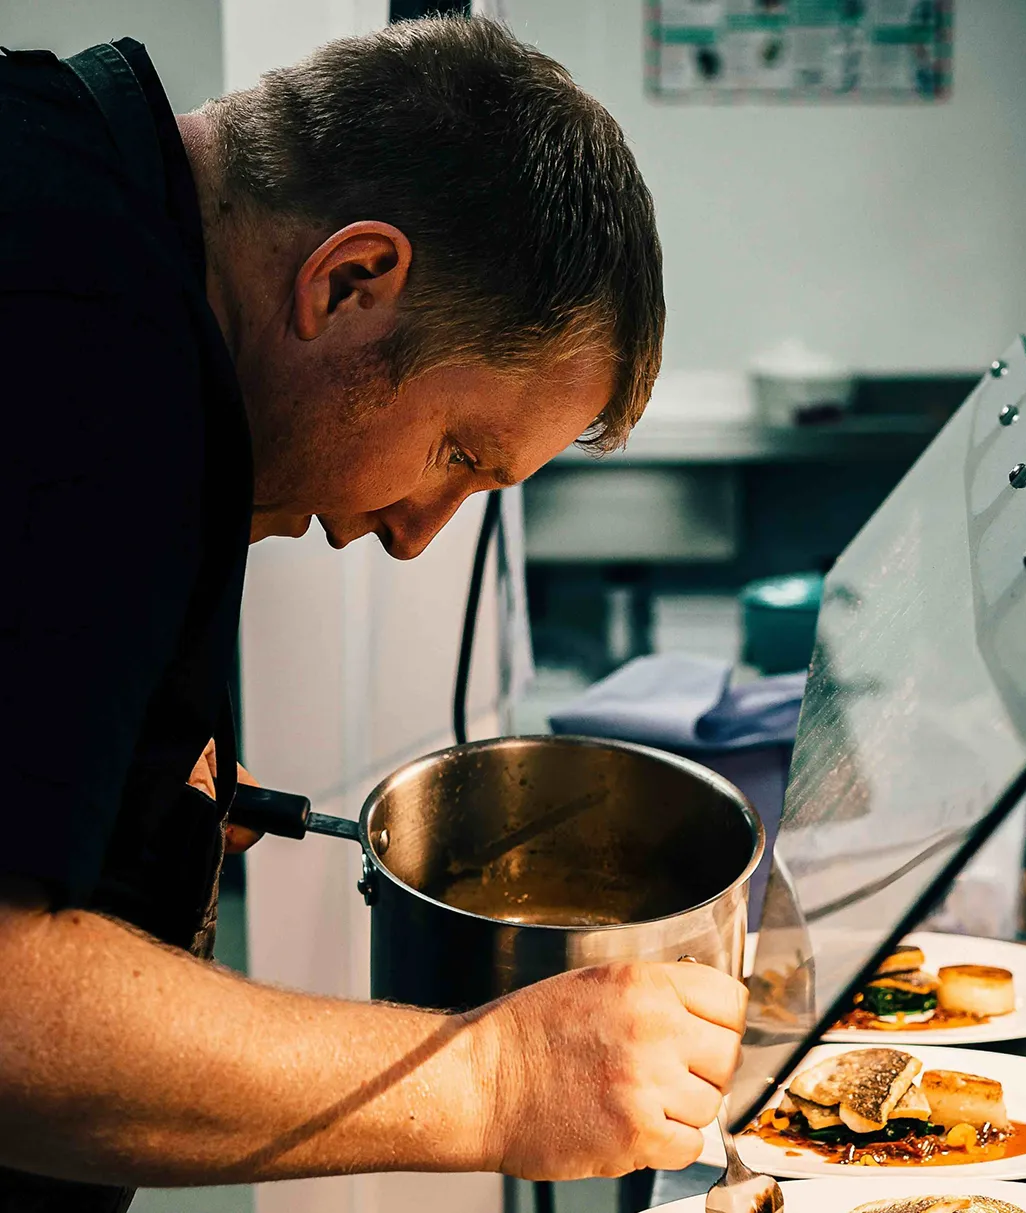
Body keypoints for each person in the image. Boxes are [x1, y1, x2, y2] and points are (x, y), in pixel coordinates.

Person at [0, 17, 747, 1210]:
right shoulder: (84, 341)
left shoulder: (68, 176)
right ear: (351, 280)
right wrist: (499, 1080)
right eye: (456, 451)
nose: (411, 530)